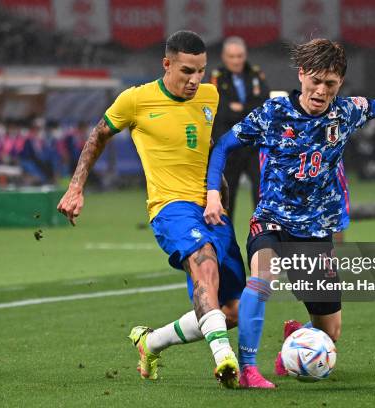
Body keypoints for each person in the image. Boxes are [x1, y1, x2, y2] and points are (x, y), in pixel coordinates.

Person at [204, 38, 375, 388]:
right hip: (272, 219)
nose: (321, 91)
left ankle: (294, 342)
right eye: (315, 81)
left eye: (330, 84)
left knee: (330, 334)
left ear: (340, 84)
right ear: (302, 74)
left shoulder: (347, 112)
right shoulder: (273, 114)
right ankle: (247, 369)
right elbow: (223, 146)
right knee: (261, 279)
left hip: (316, 231)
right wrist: (214, 194)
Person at [56, 31, 245, 389]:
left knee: (232, 311)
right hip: (170, 207)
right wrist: (76, 186)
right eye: (187, 71)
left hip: (211, 208)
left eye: (201, 71)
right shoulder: (136, 100)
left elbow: (211, 154)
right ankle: (224, 359)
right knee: (203, 262)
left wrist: (219, 198)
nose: (195, 80)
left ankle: (151, 342)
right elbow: (98, 135)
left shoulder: (211, 95)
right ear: (167, 64)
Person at [211, 36, 269, 220]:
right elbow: (219, 111)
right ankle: (225, 240)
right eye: (232, 56)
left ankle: (263, 233)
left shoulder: (255, 74)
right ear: (224, 57)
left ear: (245, 55)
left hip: (254, 146)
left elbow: (263, 106)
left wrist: (238, 109)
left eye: (239, 56)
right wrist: (245, 112)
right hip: (229, 146)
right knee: (227, 195)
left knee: (262, 192)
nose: (236, 60)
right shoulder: (216, 78)